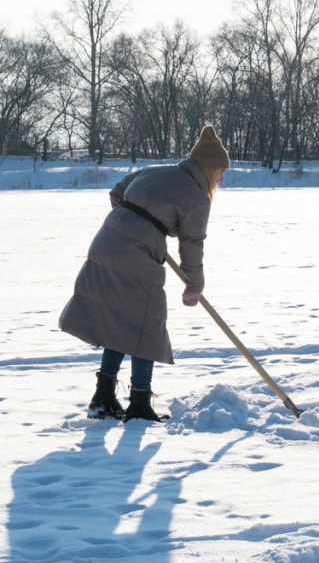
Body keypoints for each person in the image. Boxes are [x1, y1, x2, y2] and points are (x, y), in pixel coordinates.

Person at [60, 126, 231, 421]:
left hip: (106, 240)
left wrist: (143, 221)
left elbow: (117, 193)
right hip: (136, 255)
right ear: (209, 167)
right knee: (145, 324)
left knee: (119, 319)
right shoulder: (196, 197)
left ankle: (103, 398)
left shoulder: (155, 170)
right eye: (220, 171)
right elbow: (192, 244)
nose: (222, 178)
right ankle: (139, 404)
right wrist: (194, 286)